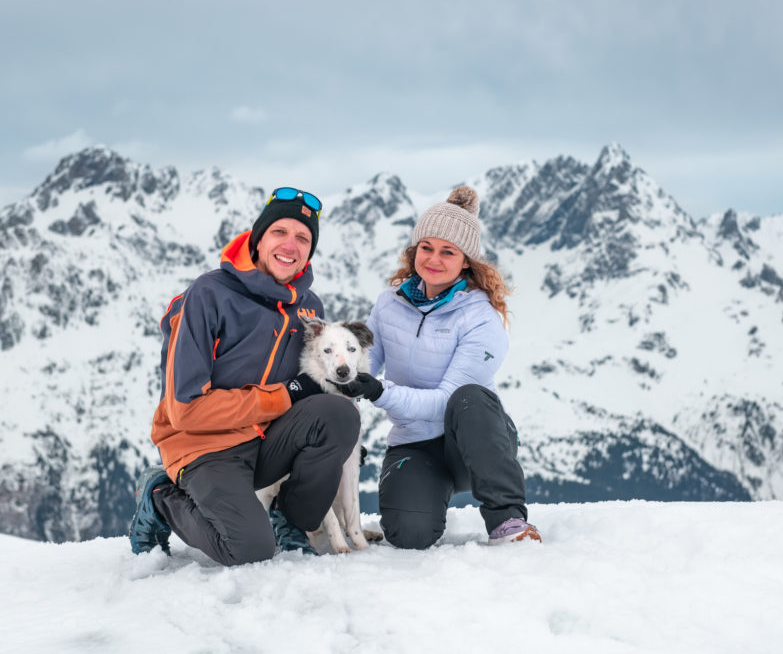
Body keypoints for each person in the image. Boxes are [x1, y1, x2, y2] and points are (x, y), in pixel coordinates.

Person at [129, 187, 361, 566]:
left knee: (340, 416)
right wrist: (283, 396)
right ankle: (159, 496)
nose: (291, 244)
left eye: (303, 237)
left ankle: (290, 520)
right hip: (203, 446)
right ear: (258, 238)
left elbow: (311, 387)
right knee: (249, 549)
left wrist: (344, 388)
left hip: (267, 440)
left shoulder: (309, 309)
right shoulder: (209, 295)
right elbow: (186, 410)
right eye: (279, 232)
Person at [333, 186, 540, 549]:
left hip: (474, 440)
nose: (434, 259)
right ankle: (423, 497)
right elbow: (361, 368)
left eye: (448, 252)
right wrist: (337, 414)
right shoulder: (388, 305)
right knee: (408, 535)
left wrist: (380, 391)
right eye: (426, 248)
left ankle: (508, 520)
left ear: (466, 262)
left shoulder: (481, 318)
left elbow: (446, 401)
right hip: (415, 444)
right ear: (414, 251)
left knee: (469, 397)